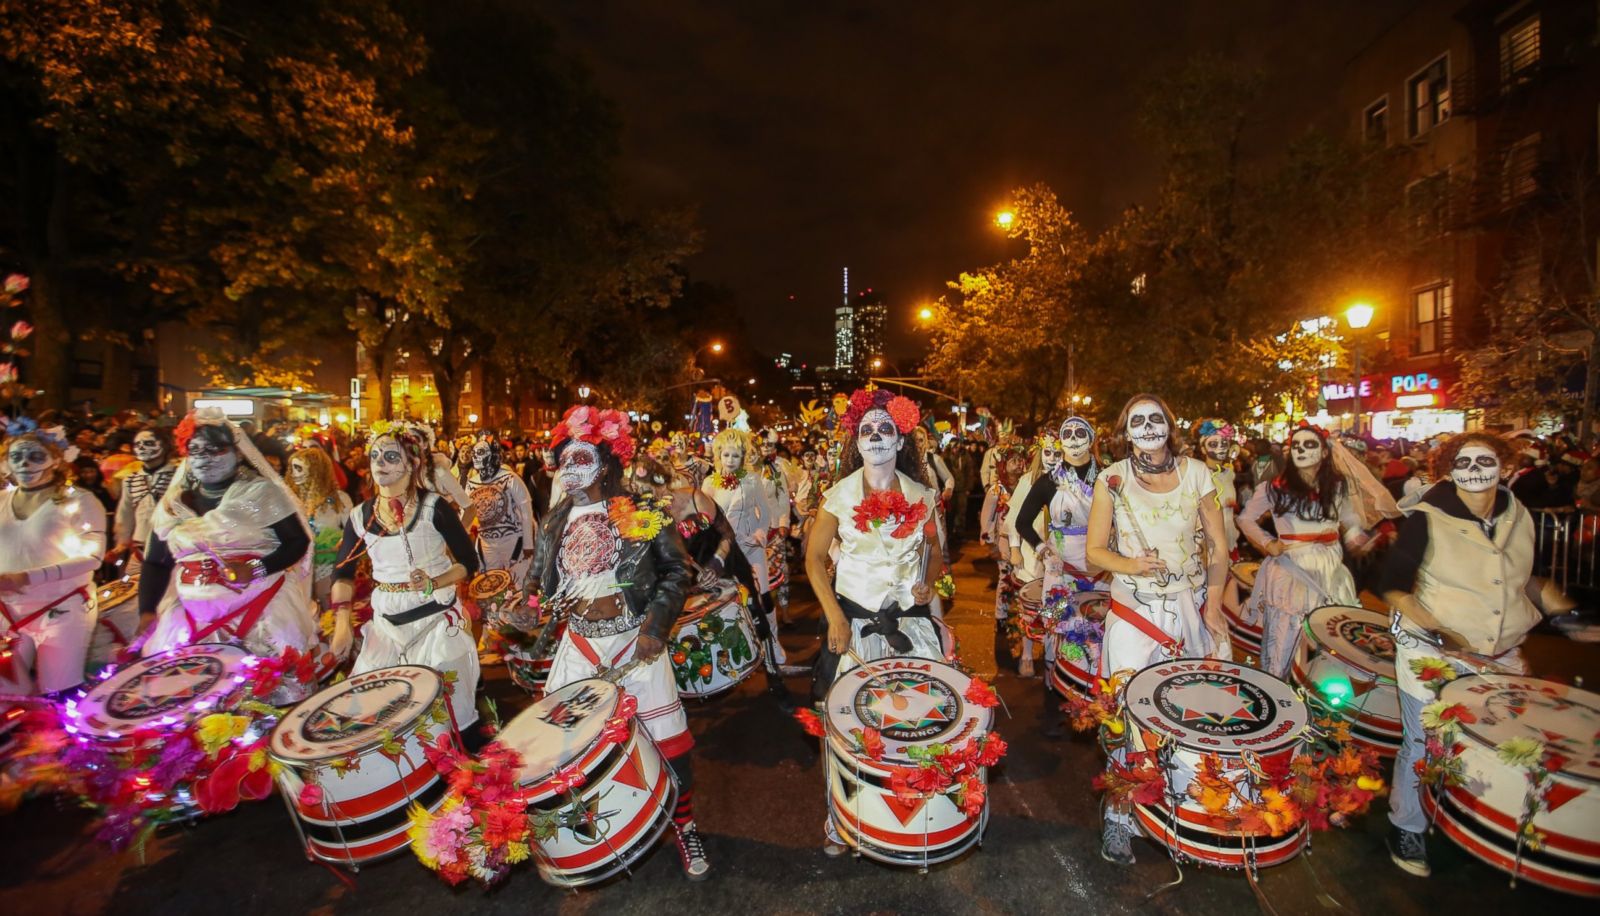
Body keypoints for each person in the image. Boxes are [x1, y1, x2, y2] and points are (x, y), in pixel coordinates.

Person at [1378, 431, 1574, 878]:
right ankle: (1406, 825)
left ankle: (1478, 820)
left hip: (1501, 655)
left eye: (1484, 462)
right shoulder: (1427, 518)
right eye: (1463, 464)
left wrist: (1566, 610)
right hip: (1431, 651)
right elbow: (1391, 584)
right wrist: (1437, 629)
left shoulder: (1517, 514)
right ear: (1448, 470)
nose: (1474, 472)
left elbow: (1522, 580)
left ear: (1504, 466)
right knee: (1423, 741)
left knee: (1499, 744)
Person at [524, 406, 706, 880]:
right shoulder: (552, 522)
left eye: (581, 456)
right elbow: (540, 588)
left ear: (604, 463)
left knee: (669, 743)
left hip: (635, 643)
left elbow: (676, 572)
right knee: (568, 751)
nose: (571, 467)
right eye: (564, 459)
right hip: (578, 649)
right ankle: (598, 836)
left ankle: (684, 827)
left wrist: (654, 629)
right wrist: (521, 610)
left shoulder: (640, 511)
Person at [1085, 393, 1230, 866]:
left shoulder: (1199, 475)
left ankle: (1178, 812)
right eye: (1136, 421)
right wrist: (1132, 564)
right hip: (1133, 613)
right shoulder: (1113, 480)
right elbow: (1094, 553)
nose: (1147, 427)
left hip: (1188, 609)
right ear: (1125, 432)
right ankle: (1120, 817)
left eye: (1155, 419)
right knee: (1127, 713)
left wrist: (1211, 606)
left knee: (1188, 712)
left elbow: (1220, 550)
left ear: (1169, 425)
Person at [803, 387, 941, 857]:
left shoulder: (923, 495)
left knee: (915, 718)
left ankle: (910, 809)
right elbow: (815, 559)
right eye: (868, 430)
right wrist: (835, 617)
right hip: (856, 629)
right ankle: (840, 812)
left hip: (911, 628)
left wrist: (929, 582)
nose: (877, 436)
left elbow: (934, 550)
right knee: (846, 722)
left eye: (886, 429)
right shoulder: (837, 496)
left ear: (901, 440)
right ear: (856, 441)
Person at [136, 409, 318, 695]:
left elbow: (297, 542)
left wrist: (256, 568)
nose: (204, 458)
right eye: (194, 450)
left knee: (268, 699)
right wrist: (146, 611)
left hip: (261, 613)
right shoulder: (173, 504)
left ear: (237, 452)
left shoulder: (260, 493)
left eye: (214, 449)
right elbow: (156, 562)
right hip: (191, 620)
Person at [329, 420, 480, 730]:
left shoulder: (434, 507)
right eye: (375, 456)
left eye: (391, 457)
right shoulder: (359, 516)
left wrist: (434, 582)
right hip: (385, 627)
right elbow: (342, 573)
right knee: (369, 714)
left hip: (435, 625)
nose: (380, 463)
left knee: (443, 717)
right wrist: (342, 624)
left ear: (413, 464)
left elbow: (469, 561)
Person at [629, 454, 791, 706]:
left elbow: (727, 534)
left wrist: (717, 563)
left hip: (728, 562)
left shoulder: (694, 497)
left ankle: (774, 674)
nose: (646, 499)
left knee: (756, 614)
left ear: (661, 483)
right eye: (638, 495)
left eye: (648, 491)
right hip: (694, 582)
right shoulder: (647, 521)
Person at [1236, 425, 1369, 677]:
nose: (1301, 450)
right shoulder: (1273, 487)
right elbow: (1245, 519)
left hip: (1330, 568)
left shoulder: (1338, 486)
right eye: (1296, 445)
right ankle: (1278, 688)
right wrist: (1267, 543)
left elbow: (1349, 517)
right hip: (1291, 569)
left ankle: (1316, 691)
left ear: (1324, 452)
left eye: (1309, 445)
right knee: (1287, 632)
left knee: (1327, 633)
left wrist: (1354, 535)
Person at [0, 422, 107, 695]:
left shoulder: (80, 500)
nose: (24, 463)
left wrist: (26, 577)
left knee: (57, 690)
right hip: (7, 611)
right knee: (5, 692)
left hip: (63, 608)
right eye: (16, 457)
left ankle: (56, 738)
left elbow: (92, 556)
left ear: (56, 459)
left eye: (36, 456)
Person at [1014, 416, 1102, 735]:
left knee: (1096, 636)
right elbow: (1022, 522)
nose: (1075, 438)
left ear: (1092, 438)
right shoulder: (1049, 480)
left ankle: (1093, 709)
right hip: (1058, 572)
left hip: (1100, 571)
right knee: (1056, 631)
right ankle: (1053, 706)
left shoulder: (1107, 478)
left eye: (1081, 432)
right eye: (1069, 433)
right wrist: (1043, 550)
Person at [703, 427, 784, 664]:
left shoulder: (752, 480)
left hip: (752, 548)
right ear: (719, 455)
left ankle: (774, 647)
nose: (730, 461)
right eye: (726, 455)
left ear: (743, 456)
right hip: (727, 552)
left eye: (735, 455)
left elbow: (765, 511)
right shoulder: (709, 483)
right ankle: (742, 653)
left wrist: (760, 532)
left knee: (764, 597)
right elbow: (707, 520)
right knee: (731, 601)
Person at [287, 446, 355, 607]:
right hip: (297, 568)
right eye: (292, 468)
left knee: (329, 608)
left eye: (298, 468)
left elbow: (353, 532)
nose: (294, 473)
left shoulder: (339, 500)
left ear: (316, 470)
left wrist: (341, 546)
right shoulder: (288, 500)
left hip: (327, 565)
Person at [465, 435, 536, 584]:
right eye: (474, 453)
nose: (475, 457)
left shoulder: (510, 478)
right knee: (490, 585)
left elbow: (526, 509)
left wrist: (528, 543)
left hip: (513, 539)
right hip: (487, 542)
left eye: (481, 453)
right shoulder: (472, 483)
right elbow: (466, 512)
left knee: (519, 583)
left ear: (492, 455)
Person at [109, 426, 178, 578]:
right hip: (140, 547)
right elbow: (124, 513)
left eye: (148, 443)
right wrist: (121, 543)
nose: (141, 448)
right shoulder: (130, 479)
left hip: (173, 547)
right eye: (137, 444)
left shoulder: (179, 476)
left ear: (165, 445)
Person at [1194, 419, 1241, 561]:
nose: (1220, 448)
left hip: (1230, 541)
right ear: (1203, 449)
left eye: (1224, 443)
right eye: (1213, 444)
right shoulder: (1197, 475)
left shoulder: (1229, 474)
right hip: (1207, 547)